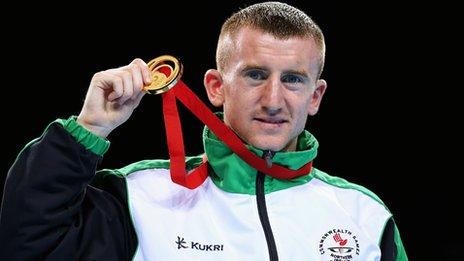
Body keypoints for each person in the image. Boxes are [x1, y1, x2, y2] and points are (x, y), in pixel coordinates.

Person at [0, 2, 408, 260]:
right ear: (216, 87)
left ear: (315, 96)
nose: (272, 99)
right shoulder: (141, 197)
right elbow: (30, 245)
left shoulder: (363, 215)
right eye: (254, 74)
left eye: (294, 80)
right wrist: (90, 128)